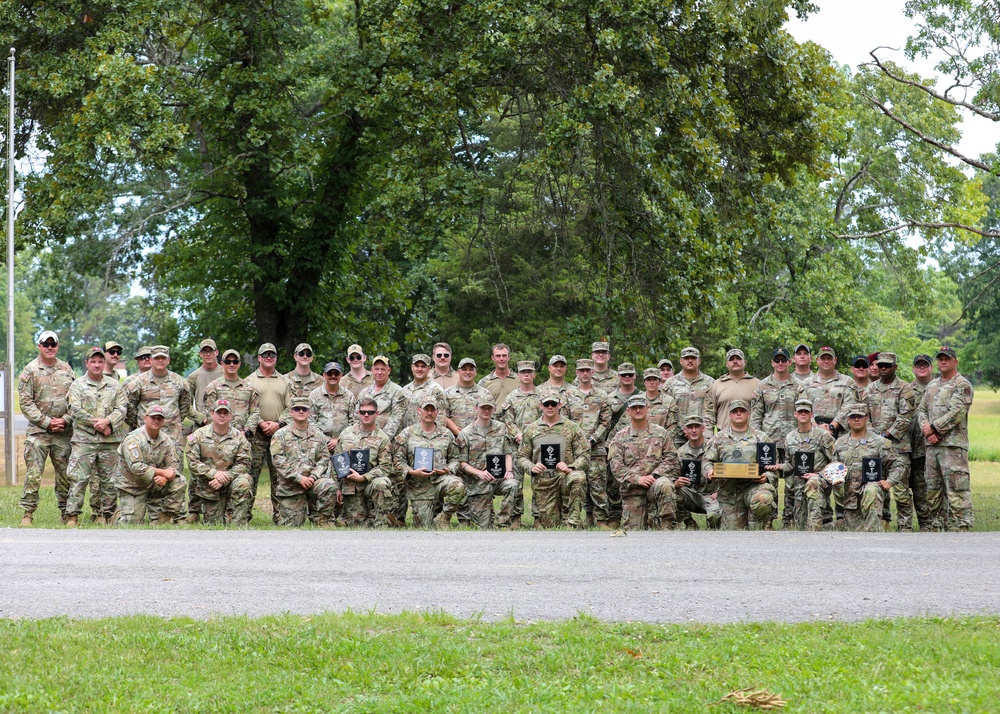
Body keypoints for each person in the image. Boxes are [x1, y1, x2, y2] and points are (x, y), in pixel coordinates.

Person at [17, 330, 75, 526]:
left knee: (66, 475)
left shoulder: (67, 370)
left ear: (57, 346)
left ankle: (67, 514)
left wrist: (65, 419)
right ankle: (28, 513)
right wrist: (46, 422)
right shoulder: (30, 371)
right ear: (39, 346)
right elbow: (26, 403)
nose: (50, 347)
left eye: (53, 344)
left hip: (63, 433)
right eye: (46, 344)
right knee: (33, 474)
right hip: (38, 432)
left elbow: (75, 400)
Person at [64, 346, 127, 526]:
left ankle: (107, 515)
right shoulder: (77, 385)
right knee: (79, 478)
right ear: (87, 363)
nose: (97, 365)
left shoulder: (114, 385)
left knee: (110, 480)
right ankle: (72, 516)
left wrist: (108, 421)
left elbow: (122, 408)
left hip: (109, 442)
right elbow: (75, 409)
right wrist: (97, 424)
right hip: (85, 440)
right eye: (93, 361)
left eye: (100, 361)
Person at [917, 346, 974, 531]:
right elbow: (921, 410)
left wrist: (934, 428)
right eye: (940, 359)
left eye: (947, 359)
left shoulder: (962, 384)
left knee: (956, 489)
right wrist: (926, 429)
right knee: (933, 490)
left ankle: (959, 528)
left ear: (955, 362)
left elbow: (957, 412)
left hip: (952, 447)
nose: (943, 361)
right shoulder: (932, 385)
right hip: (932, 447)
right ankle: (936, 528)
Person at [517, 393, 588, 528]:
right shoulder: (531, 429)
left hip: (564, 476)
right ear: (541, 406)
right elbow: (521, 457)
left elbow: (585, 455)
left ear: (559, 405)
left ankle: (573, 522)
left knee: (578, 477)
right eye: (546, 404)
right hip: (543, 481)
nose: (550, 407)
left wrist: (571, 467)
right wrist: (532, 467)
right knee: (550, 526)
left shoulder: (572, 427)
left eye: (553, 404)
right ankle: (558, 517)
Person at [704, 400, 778, 530]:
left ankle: (760, 524)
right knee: (732, 534)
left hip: (754, 486)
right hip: (729, 492)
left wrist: (766, 476)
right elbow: (707, 461)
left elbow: (773, 465)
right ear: (729, 415)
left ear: (748, 414)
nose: (738, 414)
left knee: (762, 500)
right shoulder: (718, 438)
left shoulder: (761, 438)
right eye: (735, 411)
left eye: (742, 411)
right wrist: (709, 470)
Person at [608, 395, 678, 530]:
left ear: (648, 409)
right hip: (632, 490)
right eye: (634, 408)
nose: (638, 410)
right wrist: (637, 479)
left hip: (655, 484)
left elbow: (671, 458)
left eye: (641, 407)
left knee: (665, 485)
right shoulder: (620, 437)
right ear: (628, 411)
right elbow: (616, 466)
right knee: (635, 534)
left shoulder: (661, 433)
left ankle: (668, 527)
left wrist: (655, 476)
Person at [393, 398, 465, 529]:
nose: (429, 413)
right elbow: (398, 461)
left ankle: (444, 518)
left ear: (437, 412)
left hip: (441, 480)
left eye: (433, 410)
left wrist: (448, 469)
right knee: (424, 527)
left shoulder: (446, 433)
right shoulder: (407, 433)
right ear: (419, 411)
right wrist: (411, 471)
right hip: (419, 486)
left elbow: (455, 459)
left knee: (457, 485)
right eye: (426, 409)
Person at [832, 403, 903, 532]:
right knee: (853, 532)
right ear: (848, 420)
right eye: (853, 417)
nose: (856, 419)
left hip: (872, 494)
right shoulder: (839, 443)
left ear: (866, 418)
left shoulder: (879, 442)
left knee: (871, 489)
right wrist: (835, 478)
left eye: (860, 416)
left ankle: (874, 531)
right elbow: (834, 467)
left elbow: (897, 465)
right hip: (850, 499)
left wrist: (890, 482)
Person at [270, 396, 336, 527]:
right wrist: (299, 478)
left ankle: (323, 520)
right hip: (290, 485)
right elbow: (278, 461)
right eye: (297, 409)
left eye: (304, 409)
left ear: (309, 412)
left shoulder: (318, 435)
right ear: (291, 412)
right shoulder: (280, 435)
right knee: (291, 528)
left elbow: (324, 459)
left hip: (314, 483)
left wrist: (313, 476)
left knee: (329, 485)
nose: (301, 411)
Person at [455, 393, 519, 528]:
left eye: (489, 408)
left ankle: (503, 522)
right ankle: (487, 516)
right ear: (476, 408)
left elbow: (508, 453)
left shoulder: (501, 428)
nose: (486, 411)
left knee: (512, 484)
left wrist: (508, 471)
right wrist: (479, 473)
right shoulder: (466, 433)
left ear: (494, 409)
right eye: (483, 407)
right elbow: (461, 463)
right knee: (484, 527)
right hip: (478, 483)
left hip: (499, 479)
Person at [750, 348, 798, 527]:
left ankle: (789, 519)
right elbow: (756, 415)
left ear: (789, 362)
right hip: (768, 441)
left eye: (783, 360)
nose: (780, 363)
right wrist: (757, 439)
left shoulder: (798, 385)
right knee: (769, 478)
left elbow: (803, 412)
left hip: (791, 440)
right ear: (772, 363)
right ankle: (769, 518)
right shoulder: (762, 386)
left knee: (792, 480)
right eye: (777, 360)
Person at [869, 352, 916, 531]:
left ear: (895, 367)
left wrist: (887, 435)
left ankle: (905, 526)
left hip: (898, 447)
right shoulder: (870, 389)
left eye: (887, 366)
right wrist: (873, 437)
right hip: (875, 447)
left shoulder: (904, 388)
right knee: (877, 485)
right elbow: (864, 416)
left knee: (901, 489)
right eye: (880, 365)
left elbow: (906, 417)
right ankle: (883, 522)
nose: (883, 369)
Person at [187, 399, 254, 525]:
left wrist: (225, 477)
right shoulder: (198, 435)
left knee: (244, 482)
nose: (222, 415)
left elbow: (244, 464)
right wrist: (214, 474)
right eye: (219, 412)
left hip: (231, 482)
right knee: (213, 524)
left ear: (230, 416)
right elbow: (192, 462)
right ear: (212, 414)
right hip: (209, 485)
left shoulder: (240, 438)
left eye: (225, 413)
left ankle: (238, 524)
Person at [115, 406, 186, 524]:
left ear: (163, 421)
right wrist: (163, 472)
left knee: (180, 481)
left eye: (159, 418)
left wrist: (165, 477)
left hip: (154, 484)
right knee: (131, 523)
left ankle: (164, 517)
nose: (156, 421)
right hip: (132, 487)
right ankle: (117, 515)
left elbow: (173, 465)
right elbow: (136, 467)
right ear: (145, 419)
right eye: (153, 418)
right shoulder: (133, 439)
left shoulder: (166, 440)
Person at [245, 343, 292, 524]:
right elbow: (247, 408)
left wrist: (278, 423)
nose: (268, 357)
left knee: (279, 476)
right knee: (252, 475)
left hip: (279, 435)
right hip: (256, 434)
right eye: (265, 354)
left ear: (276, 358)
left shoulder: (285, 381)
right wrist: (261, 423)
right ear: (258, 358)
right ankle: (245, 516)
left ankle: (280, 517)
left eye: (272, 354)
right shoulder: (249, 381)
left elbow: (291, 407)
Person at [565, 359, 614, 528]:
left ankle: (600, 519)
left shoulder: (602, 396)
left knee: (598, 485)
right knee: (577, 483)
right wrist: (576, 442)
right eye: (581, 371)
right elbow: (564, 421)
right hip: (575, 451)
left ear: (593, 372)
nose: (585, 374)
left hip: (596, 449)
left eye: (588, 370)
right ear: (577, 373)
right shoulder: (568, 395)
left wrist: (593, 439)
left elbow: (606, 422)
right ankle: (577, 519)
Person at [333, 397, 395, 527]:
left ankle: (381, 524)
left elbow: (386, 467)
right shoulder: (346, 434)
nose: (366, 415)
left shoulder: (382, 438)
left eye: (371, 412)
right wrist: (336, 487)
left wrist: (364, 477)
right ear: (358, 413)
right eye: (363, 412)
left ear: (376, 414)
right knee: (357, 525)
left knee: (382, 483)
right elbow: (336, 463)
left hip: (370, 484)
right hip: (350, 486)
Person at [779, 398, 836, 530]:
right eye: (800, 412)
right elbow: (790, 464)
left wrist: (818, 475)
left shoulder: (823, 436)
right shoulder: (790, 437)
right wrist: (778, 466)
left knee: (813, 482)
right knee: (800, 524)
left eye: (806, 412)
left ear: (811, 415)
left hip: (819, 482)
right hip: (798, 482)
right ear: (795, 414)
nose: (803, 414)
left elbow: (836, 462)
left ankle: (815, 529)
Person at [796, 346, 859, 438]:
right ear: (817, 360)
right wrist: (817, 427)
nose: (826, 361)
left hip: (840, 435)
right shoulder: (806, 383)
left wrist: (832, 425)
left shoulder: (847, 382)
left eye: (829, 358)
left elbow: (849, 406)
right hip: (812, 433)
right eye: (823, 358)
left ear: (835, 360)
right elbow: (802, 407)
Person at [672, 415, 722, 529]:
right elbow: (673, 475)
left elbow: (726, 471)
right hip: (691, 495)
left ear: (703, 428)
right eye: (690, 427)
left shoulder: (714, 448)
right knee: (670, 492)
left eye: (697, 427)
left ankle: (713, 526)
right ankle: (689, 522)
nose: (694, 430)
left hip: (712, 495)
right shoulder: (680, 453)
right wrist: (676, 483)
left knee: (714, 517)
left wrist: (721, 491)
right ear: (685, 430)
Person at [203, 349, 261, 436]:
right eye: (228, 362)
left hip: (244, 438)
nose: (232, 364)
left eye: (235, 362)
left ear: (240, 363)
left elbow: (255, 412)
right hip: (221, 438)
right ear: (222, 364)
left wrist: (246, 431)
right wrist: (223, 432)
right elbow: (210, 413)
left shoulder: (249, 388)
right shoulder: (213, 387)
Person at [664, 347, 714, 446]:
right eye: (687, 358)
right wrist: (684, 429)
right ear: (681, 361)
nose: (690, 361)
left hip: (703, 436)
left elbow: (711, 410)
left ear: (698, 361)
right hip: (677, 437)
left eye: (693, 358)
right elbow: (666, 410)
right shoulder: (670, 383)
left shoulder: (710, 382)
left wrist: (704, 430)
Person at [908, 354, 935, 530]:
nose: (922, 367)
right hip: (914, 446)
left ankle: (938, 522)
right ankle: (925, 524)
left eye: (925, 365)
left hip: (935, 445)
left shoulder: (939, 387)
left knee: (936, 487)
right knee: (918, 486)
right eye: (919, 365)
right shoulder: (906, 389)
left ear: (931, 367)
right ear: (913, 368)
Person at [705, 348, 759, 432]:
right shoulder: (716, 385)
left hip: (750, 438)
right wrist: (708, 437)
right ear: (727, 364)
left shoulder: (757, 384)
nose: (735, 361)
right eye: (731, 359)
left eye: (738, 358)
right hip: (724, 438)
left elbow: (761, 413)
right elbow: (709, 413)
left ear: (744, 362)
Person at [309, 361, 357, 453]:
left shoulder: (348, 395)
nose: (333, 376)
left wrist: (339, 440)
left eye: (336, 373)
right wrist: (326, 440)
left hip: (344, 444)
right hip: (320, 443)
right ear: (324, 375)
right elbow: (311, 421)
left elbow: (353, 422)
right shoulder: (315, 395)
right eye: (330, 373)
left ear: (341, 375)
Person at [358, 355, 407, 439]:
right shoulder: (364, 392)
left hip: (387, 443)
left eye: (383, 369)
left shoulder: (397, 392)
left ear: (389, 371)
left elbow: (396, 421)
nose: (379, 372)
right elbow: (357, 417)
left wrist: (379, 441)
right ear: (372, 370)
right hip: (364, 440)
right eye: (376, 369)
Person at [443, 358, 491, 436]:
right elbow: (443, 415)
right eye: (464, 369)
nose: (467, 372)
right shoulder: (447, 393)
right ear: (458, 372)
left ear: (475, 372)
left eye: (471, 369)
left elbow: (489, 415)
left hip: (478, 437)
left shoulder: (485, 393)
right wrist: (458, 431)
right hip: (455, 438)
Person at [401, 353, 447, 430]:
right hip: (406, 436)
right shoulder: (405, 389)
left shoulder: (436, 390)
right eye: (417, 366)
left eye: (423, 366)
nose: (419, 369)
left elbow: (441, 419)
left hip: (424, 438)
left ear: (428, 369)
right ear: (412, 367)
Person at [186, 339, 223, 415]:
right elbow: (186, 404)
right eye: (205, 351)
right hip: (202, 423)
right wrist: (199, 418)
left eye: (211, 351)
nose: (208, 354)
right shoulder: (193, 377)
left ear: (216, 352)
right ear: (200, 354)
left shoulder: (225, 374)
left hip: (223, 420)